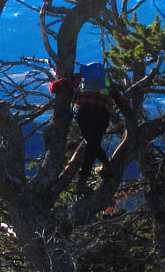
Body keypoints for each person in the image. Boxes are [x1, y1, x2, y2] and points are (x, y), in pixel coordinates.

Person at [49, 62, 127, 190]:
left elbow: (57, 87)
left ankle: (105, 166)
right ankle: (83, 181)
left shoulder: (82, 77)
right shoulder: (106, 81)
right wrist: (128, 110)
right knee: (93, 144)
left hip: (83, 111)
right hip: (101, 113)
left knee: (91, 143)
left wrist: (52, 85)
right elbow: (119, 100)